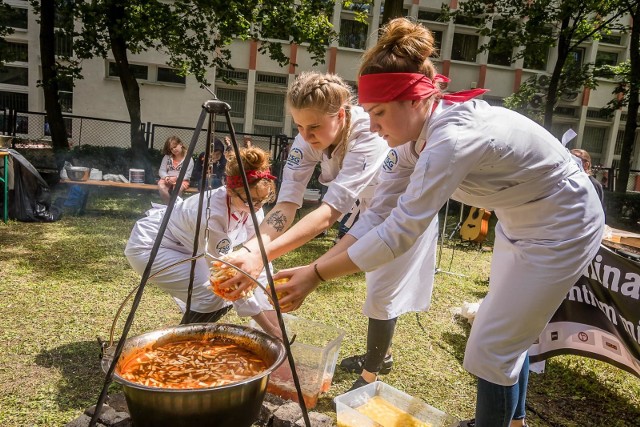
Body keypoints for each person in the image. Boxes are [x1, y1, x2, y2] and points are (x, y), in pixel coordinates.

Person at [267, 18, 604, 427]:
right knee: (506, 338)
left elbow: (401, 231)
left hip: (564, 223)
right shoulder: (411, 141)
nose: (371, 126)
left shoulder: (451, 137)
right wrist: (314, 269)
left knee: (489, 347)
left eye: (378, 113)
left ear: (415, 101)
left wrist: (318, 273)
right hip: (519, 222)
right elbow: (377, 214)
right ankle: (514, 422)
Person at [221, 71, 440, 391]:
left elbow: (328, 214)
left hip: (401, 209)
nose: (306, 135)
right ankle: (384, 354)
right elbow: (286, 205)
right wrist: (250, 250)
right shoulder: (305, 139)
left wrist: (260, 256)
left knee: (381, 292)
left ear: (341, 115)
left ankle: (370, 376)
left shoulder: (367, 134)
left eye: (313, 127)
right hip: (367, 209)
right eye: (298, 126)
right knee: (375, 284)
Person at [125, 146, 281, 337]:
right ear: (231, 191)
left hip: (192, 246)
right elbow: (226, 277)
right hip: (154, 244)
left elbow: (258, 256)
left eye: (262, 201)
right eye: (251, 201)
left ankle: (192, 338)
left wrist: (269, 297)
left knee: (219, 295)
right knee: (214, 294)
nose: (257, 207)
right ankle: (181, 342)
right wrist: (269, 328)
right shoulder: (212, 214)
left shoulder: (252, 205)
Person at [157, 136, 194, 203]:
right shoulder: (167, 157)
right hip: (167, 179)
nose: (174, 150)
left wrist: (176, 178)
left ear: (181, 144)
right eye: (171, 149)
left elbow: (187, 175)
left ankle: (176, 207)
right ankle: (169, 207)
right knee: (161, 186)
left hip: (182, 180)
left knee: (177, 189)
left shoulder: (189, 159)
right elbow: (161, 170)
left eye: (175, 146)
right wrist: (167, 177)